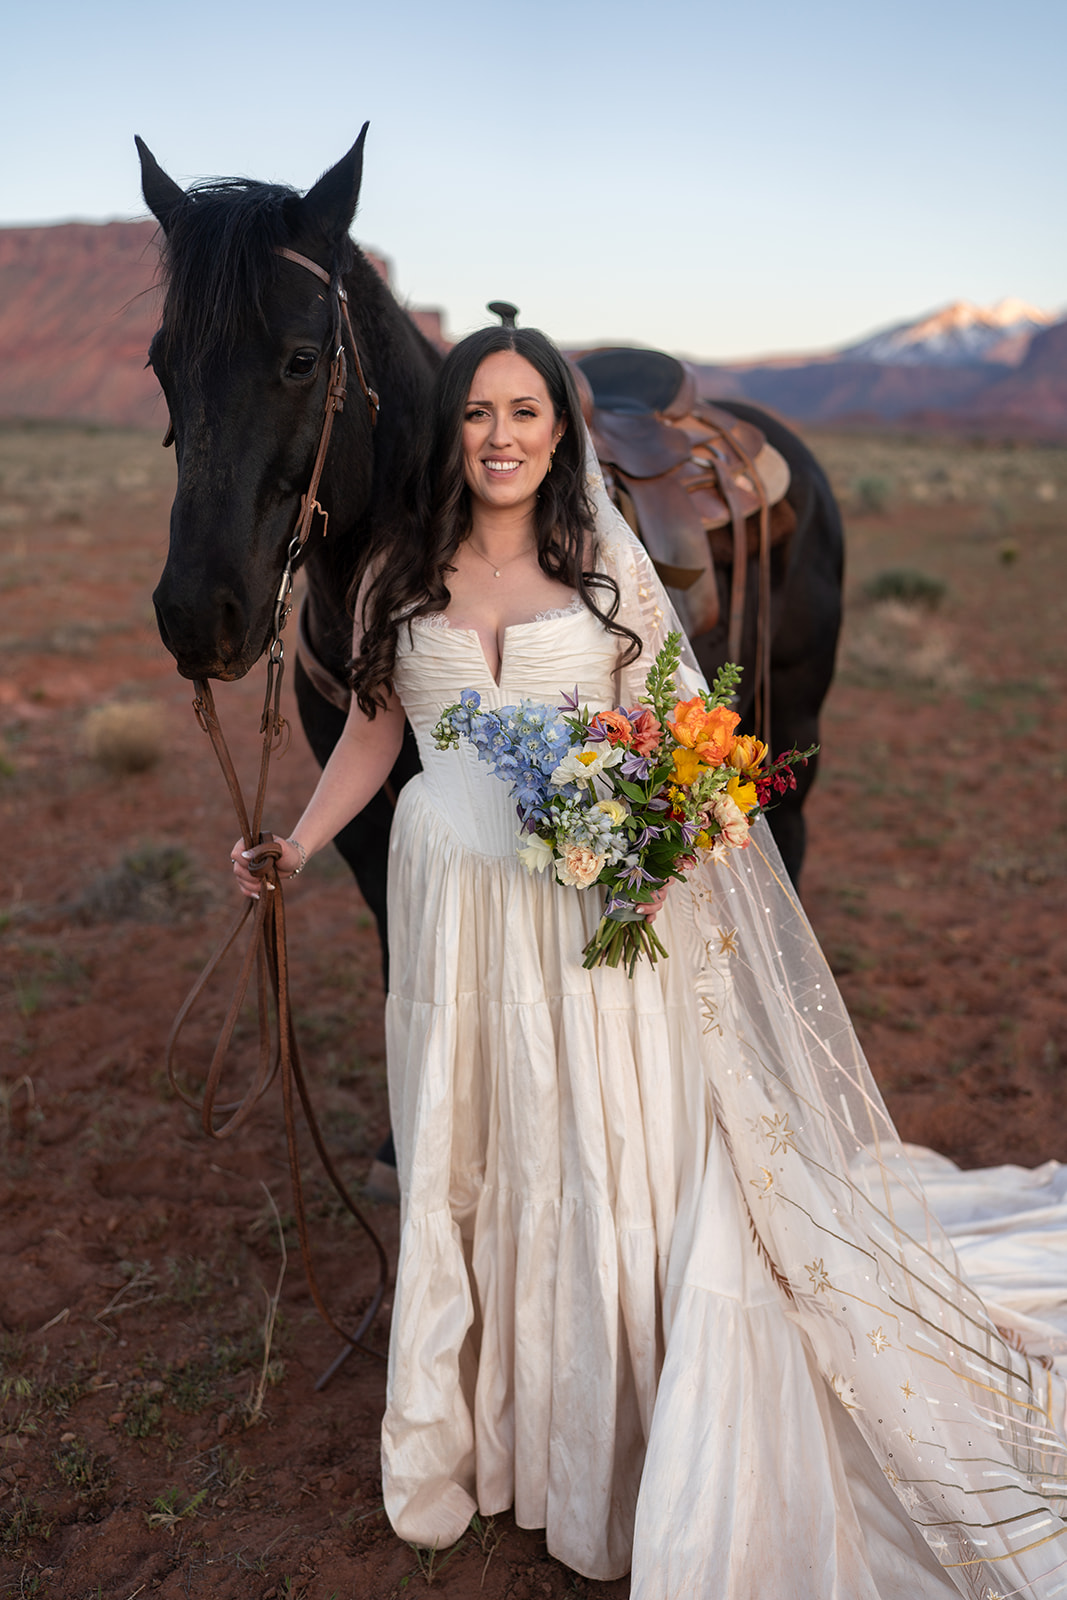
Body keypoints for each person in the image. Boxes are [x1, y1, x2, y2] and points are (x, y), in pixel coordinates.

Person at [233, 327, 1067, 1597]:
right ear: (448, 432)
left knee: (593, 1146)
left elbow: (686, 744)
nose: (501, 435)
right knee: (479, 1140)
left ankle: (610, 1428)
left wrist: (669, 830)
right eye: (477, 414)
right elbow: (371, 732)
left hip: (586, 912)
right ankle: (487, 1424)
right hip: (453, 903)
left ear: (558, 433)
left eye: (524, 412)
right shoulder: (398, 571)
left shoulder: (605, 570)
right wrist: (294, 845)